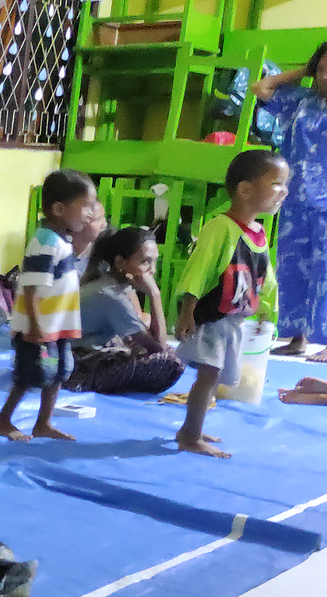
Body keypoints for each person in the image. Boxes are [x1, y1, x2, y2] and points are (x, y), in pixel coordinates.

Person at [174, 150, 286, 458]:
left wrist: (267, 311)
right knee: (208, 374)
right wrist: (187, 311)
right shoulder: (220, 228)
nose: (284, 192)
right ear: (246, 189)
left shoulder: (258, 232)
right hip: (211, 318)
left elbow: (266, 277)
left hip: (235, 320)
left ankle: (193, 427)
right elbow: (198, 271)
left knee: (217, 377)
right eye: (276, 183)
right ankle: (189, 434)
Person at [0, 169, 97, 442]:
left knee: (59, 371)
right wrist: (36, 325)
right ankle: (3, 419)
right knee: (32, 373)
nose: (90, 213)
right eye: (85, 206)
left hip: (57, 324)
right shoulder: (44, 242)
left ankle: (43, 423)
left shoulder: (62, 240)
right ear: (60, 208)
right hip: (37, 326)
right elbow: (30, 287)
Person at [253, 42, 327, 361]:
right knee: (292, 268)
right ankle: (298, 337)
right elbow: (261, 86)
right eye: (322, 70)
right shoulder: (300, 99)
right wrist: (305, 71)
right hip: (293, 199)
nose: (326, 77)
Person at [65, 227, 184, 395]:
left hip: (79, 352)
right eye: (146, 262)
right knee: (170, 361)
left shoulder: (113, 285)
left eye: (155, 261)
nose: (153, 270)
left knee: (143, 348)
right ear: (120, 262)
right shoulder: (112, 295)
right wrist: (154, 294)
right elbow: (158, 347)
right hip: (73, 363)